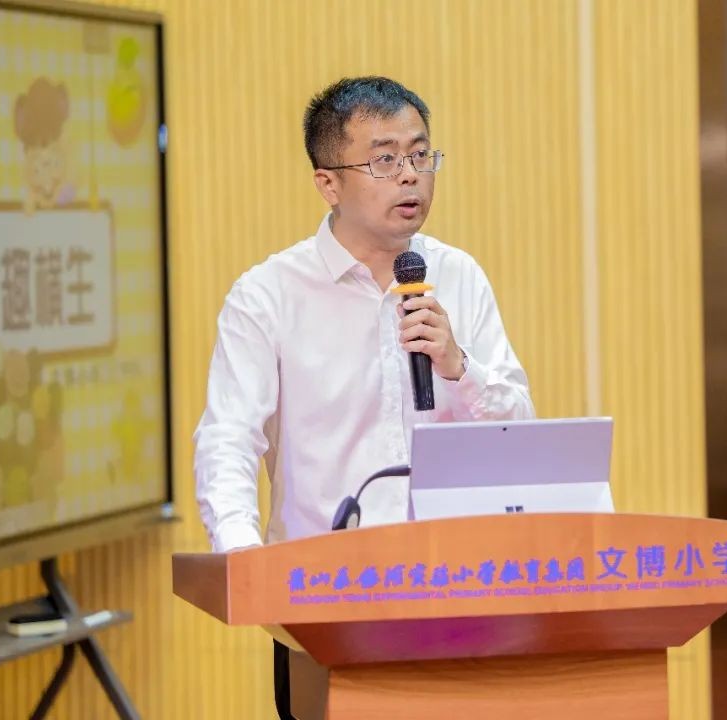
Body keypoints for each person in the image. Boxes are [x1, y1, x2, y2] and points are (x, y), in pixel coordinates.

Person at [192, 76, 535, 719]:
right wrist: (243, 560)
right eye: (384, 160)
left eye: (421, 154)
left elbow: (519, 432)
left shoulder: (457, 275)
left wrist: (458, 366)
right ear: (329, 183)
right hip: (324, 604)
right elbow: (229, 439)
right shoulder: (269, 295)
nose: (410, 176)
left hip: (458, 592)